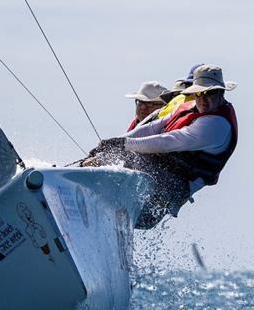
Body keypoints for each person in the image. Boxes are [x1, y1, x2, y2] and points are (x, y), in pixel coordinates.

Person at [82, 64, 238, 229]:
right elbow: (151, 128)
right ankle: (83, 186)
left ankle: (91, 202)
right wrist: (112, 143)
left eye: (209, 93)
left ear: (221, 92)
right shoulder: (190, 107)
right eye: (198, 93)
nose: (203, 99)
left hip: (171, 188)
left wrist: (123, 145)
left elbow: (168, 141)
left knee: (127, 159)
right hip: (154, 172)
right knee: (114, 157)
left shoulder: (216, 125)